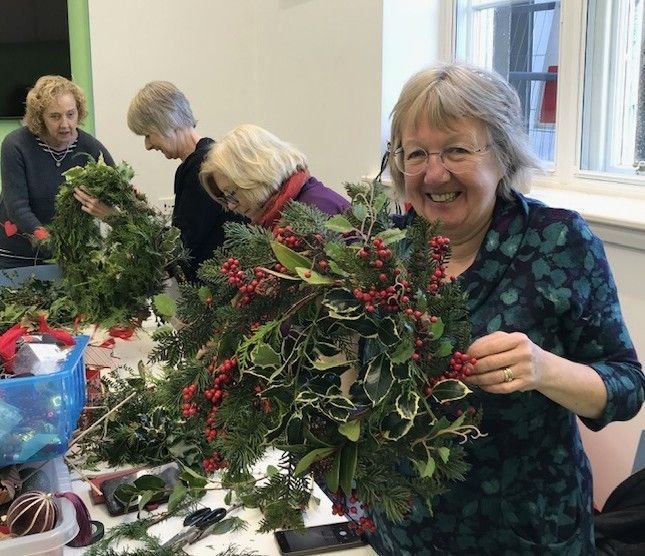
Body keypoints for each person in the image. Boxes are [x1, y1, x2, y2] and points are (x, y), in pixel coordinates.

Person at [368, 62, 645, 555]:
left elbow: (626, 387)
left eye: (456, 149)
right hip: (408, 530)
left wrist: (545, 369)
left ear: (503, 153)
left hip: (526, 533)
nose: (434, 173)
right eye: (415, 154)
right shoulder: (386, 249)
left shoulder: (559, 242)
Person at [126, 81, 245, 282]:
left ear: (165, 122)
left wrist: (120, 216)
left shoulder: (202, 168)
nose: (147, 145)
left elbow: (180, 246)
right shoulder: (199, 162)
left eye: (148, 134)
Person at [0, 75, 114, 269]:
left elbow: (115, 187)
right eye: (55, 116)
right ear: (40, 117)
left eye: (71, 114)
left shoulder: (90, 148)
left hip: (70, 254)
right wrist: (48, 240)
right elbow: (17, 207)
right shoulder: (15, 145)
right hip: (16, 255)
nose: (65, 124)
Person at [199, 123, 349, 226]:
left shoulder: (316, 213)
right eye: (225, 198)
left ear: (256, 174)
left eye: (231, 193)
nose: (231, 206)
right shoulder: (286, 211)